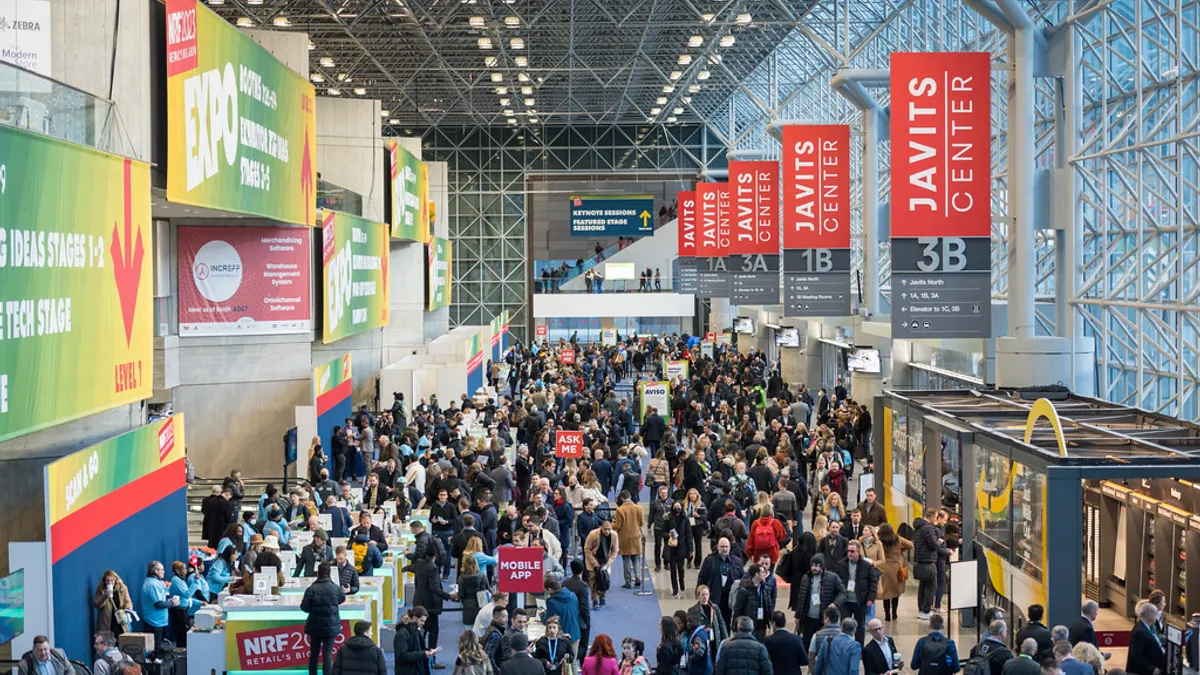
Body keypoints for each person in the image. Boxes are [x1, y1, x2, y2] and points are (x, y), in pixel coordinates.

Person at [411, 548, 457, 668]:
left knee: (419, 632)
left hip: (418, 601)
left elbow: (417, 582)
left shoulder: (419, 563)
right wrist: (449, 596)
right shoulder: (433, 568)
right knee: (433, 632)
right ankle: (431, 660)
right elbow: (434, 588)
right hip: (430, 605)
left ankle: (420, 658)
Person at [301, 563, 347, 675]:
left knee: (314, 653)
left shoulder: (311, 589)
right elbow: (342, 599)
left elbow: (304, 607)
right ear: (329, 573)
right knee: (327, 653)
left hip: (315, 625)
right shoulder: (335, 588)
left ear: (318, 573)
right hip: (331, 625)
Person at [796, 554, 847, 646]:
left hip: (823, 619)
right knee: (807, 644)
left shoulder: (832, 578)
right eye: (812, 565)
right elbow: (801, 598)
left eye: (817, 566)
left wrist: (835, 604)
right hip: (808, 618)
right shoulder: (806, 578)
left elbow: (843, 593)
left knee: (824, 645)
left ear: (822, 566)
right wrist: (798, 616)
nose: (814, 568)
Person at [697, 538, 745, 631]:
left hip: (729, 598)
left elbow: (742, 579)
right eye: (722, 547)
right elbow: (702, 577)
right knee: (712, 621)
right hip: (713, 596)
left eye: (727, 547)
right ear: (718, 547)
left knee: (727, 622)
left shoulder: (737, 561)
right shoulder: (710, 561)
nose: (725, 549)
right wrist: (699, 593)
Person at [835, 540, 878, 643]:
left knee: (860, 627)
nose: (849, 553)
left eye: (852, 551)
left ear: (858, 552)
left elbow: (873, 582)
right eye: (848, 551)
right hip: (845, 601)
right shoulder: (841, 564)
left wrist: (871, 598)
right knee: (844, 626)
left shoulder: (866, 565)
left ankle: (859, 649)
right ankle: (844, 647)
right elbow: (836, 582)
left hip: (860, 601)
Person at [912, 516, 944, 619]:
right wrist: (939, 541)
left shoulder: (918, 527)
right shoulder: (928, 528)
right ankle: (926, 610)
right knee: (931, 586)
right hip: (928, 561)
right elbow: (933, 545)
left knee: (922, 586)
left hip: (920, 560)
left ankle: (921, 609)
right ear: (934, 516)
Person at [541, 578, 581, 656]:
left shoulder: (552, 602)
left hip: (561, 637)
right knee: (573, 662)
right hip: (575, 633)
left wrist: (542, 615)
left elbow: (547, 620)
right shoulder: (573, 596)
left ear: (549, 589)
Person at [584, 519, 619, 608]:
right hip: (593, 559)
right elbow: (587, 549)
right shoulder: (593, 534)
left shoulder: (614, 535)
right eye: (605, 529)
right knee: (593, 580)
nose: (607, 531)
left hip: (605, 560)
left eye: (609, 529)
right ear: (601, 528)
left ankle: (602, 597)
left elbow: (615, 551)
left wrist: (608, 563)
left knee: (604, 580)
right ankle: (594, 599)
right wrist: (595, 563)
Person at [612, 491, 644, 587]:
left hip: (624, 537)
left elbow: (617, 525)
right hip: (636, 536)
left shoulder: (620, 510)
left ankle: (628, 582)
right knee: (636, 559)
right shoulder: (639, 508)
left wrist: (612, 522)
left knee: (626, 559)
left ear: (622, 498)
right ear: (630, 496)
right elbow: (641, 523)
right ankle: (638, 578)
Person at [731, 563, 771, 640]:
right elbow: (738, 609)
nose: (765, 574)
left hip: (761, 624)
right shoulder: (744, 590)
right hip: (748, 625)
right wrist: (735, 626)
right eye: (762, 572)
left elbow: (769, 605)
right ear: (756, 574)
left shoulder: (764, 589)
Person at [141, 561, 176, 647]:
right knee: (154, 647)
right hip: (154, 621)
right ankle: (154, 659)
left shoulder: (156, 582)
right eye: (162, 569)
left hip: (158, 620)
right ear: (156, 571)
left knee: (158, 645)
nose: (164, 571)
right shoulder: (152, 584)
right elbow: (159, 604)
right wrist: (172, 604)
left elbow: (161, 599)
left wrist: (168, 601)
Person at [1128, 600, 1166, 675]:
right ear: (1150, 614)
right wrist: (1151, 669)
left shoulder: (1147, 627)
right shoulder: (1139, 632)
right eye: (1156, 614)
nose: (1156, 617)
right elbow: (1135, 655)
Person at [395, 607, 437, 675]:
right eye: (421, 620)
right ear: (414, 618)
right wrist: (424, 654)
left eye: (424, 621)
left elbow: (418, 649)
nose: (423, 623)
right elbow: (402, 656)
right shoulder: (402, 634)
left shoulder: (415, 631)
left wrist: (428, 651)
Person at [564, 560, 592, 659]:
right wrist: (587, 621)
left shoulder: (565, 582)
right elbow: (584, 605)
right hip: (580, 620)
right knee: (583, 645)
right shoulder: (583, 586)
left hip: (568, 618)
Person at [93, 570, 133, 637]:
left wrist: (128, 608)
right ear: (104, 581)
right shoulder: (101, 589)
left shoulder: (123, 588)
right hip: (106, 622)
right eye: (107, 581)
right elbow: (97, 605)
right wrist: (104, 596)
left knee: (121, 642)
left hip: (120, 621)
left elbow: (128, 601)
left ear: (115, 580)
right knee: (108, 643)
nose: (109, 583)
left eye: (112, 580)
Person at [459, 555, 489, 627]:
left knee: (469, 633)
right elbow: (488, 589)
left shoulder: (462, 578)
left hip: (468, 607)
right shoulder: (482, 576)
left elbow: (461, 595)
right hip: (481, 606)